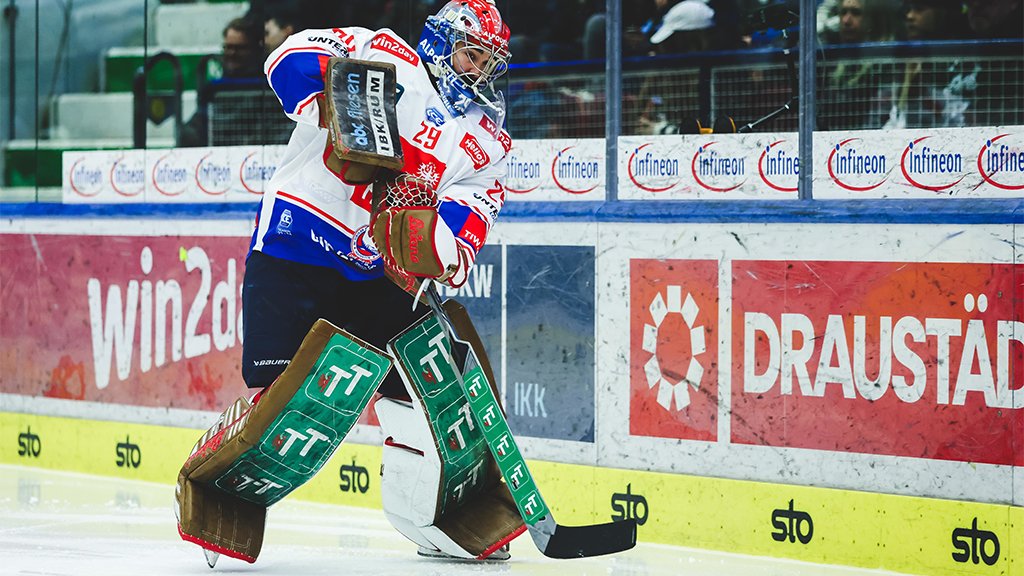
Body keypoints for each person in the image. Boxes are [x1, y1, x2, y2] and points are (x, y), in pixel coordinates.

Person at [175, 0, 520, 565]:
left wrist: (431, 240)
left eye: (489, 61)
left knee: (432, 395)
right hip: (296, 247)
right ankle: (212, 487)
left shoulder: (487, 143)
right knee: (285, 404)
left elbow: (462, 243)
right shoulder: (382, 53)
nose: (479, 70)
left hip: (380, 277)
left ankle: (440, 517)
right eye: (471, 53)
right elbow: (284, 61)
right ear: (439, 41)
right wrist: (338, 110)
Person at [178, 17, 265, 146]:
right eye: (228, 47)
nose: (232, 53)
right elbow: (200, 119)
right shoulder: (214, 87)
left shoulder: (266, 85)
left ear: (255, 49)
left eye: (239, 48)